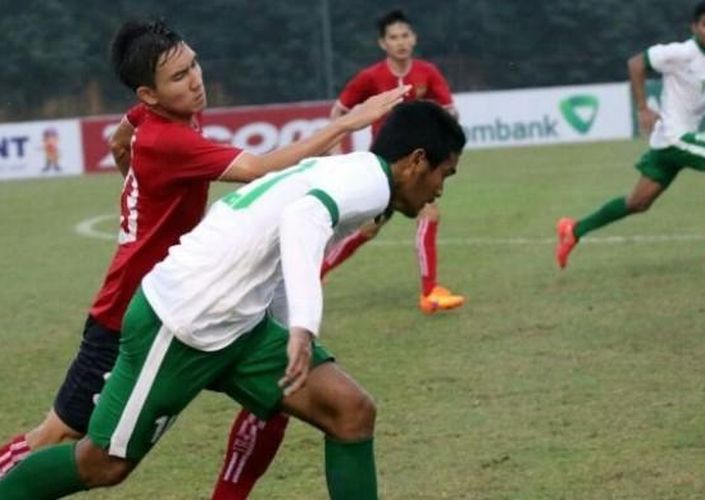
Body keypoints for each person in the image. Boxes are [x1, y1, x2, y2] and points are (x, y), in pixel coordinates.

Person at [0, 19, 408, 499]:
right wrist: (344, 123)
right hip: (131, 311)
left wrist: (137, 181)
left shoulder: (157, 116)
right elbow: (256, 169)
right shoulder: (169, 139)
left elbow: (118, 139)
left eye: (193, 64)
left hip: (197, 302)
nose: (195, 79)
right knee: (63, 438)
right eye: (179, 77)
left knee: (285, 399)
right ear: (149, 93)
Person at [556, 0, 705, 269]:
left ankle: (574, 230)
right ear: (694, 27)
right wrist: (643, 108)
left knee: (637, 203)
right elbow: (636, 63)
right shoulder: (680, 53)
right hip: (675, 137)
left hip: (670, 143)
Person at [322, 9, 465, 314]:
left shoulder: (427, 72)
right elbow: (339, 112)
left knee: (397, 221)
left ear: (413, 39)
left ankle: (429, 291)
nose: (400, 42)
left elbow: (451, 111)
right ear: (382, 43)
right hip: (385, 166)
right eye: (393, 37)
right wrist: (336, 151)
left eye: (404, 36)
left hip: (420, 165)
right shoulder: (370, 77)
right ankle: (429, 293)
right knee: (376, 226)